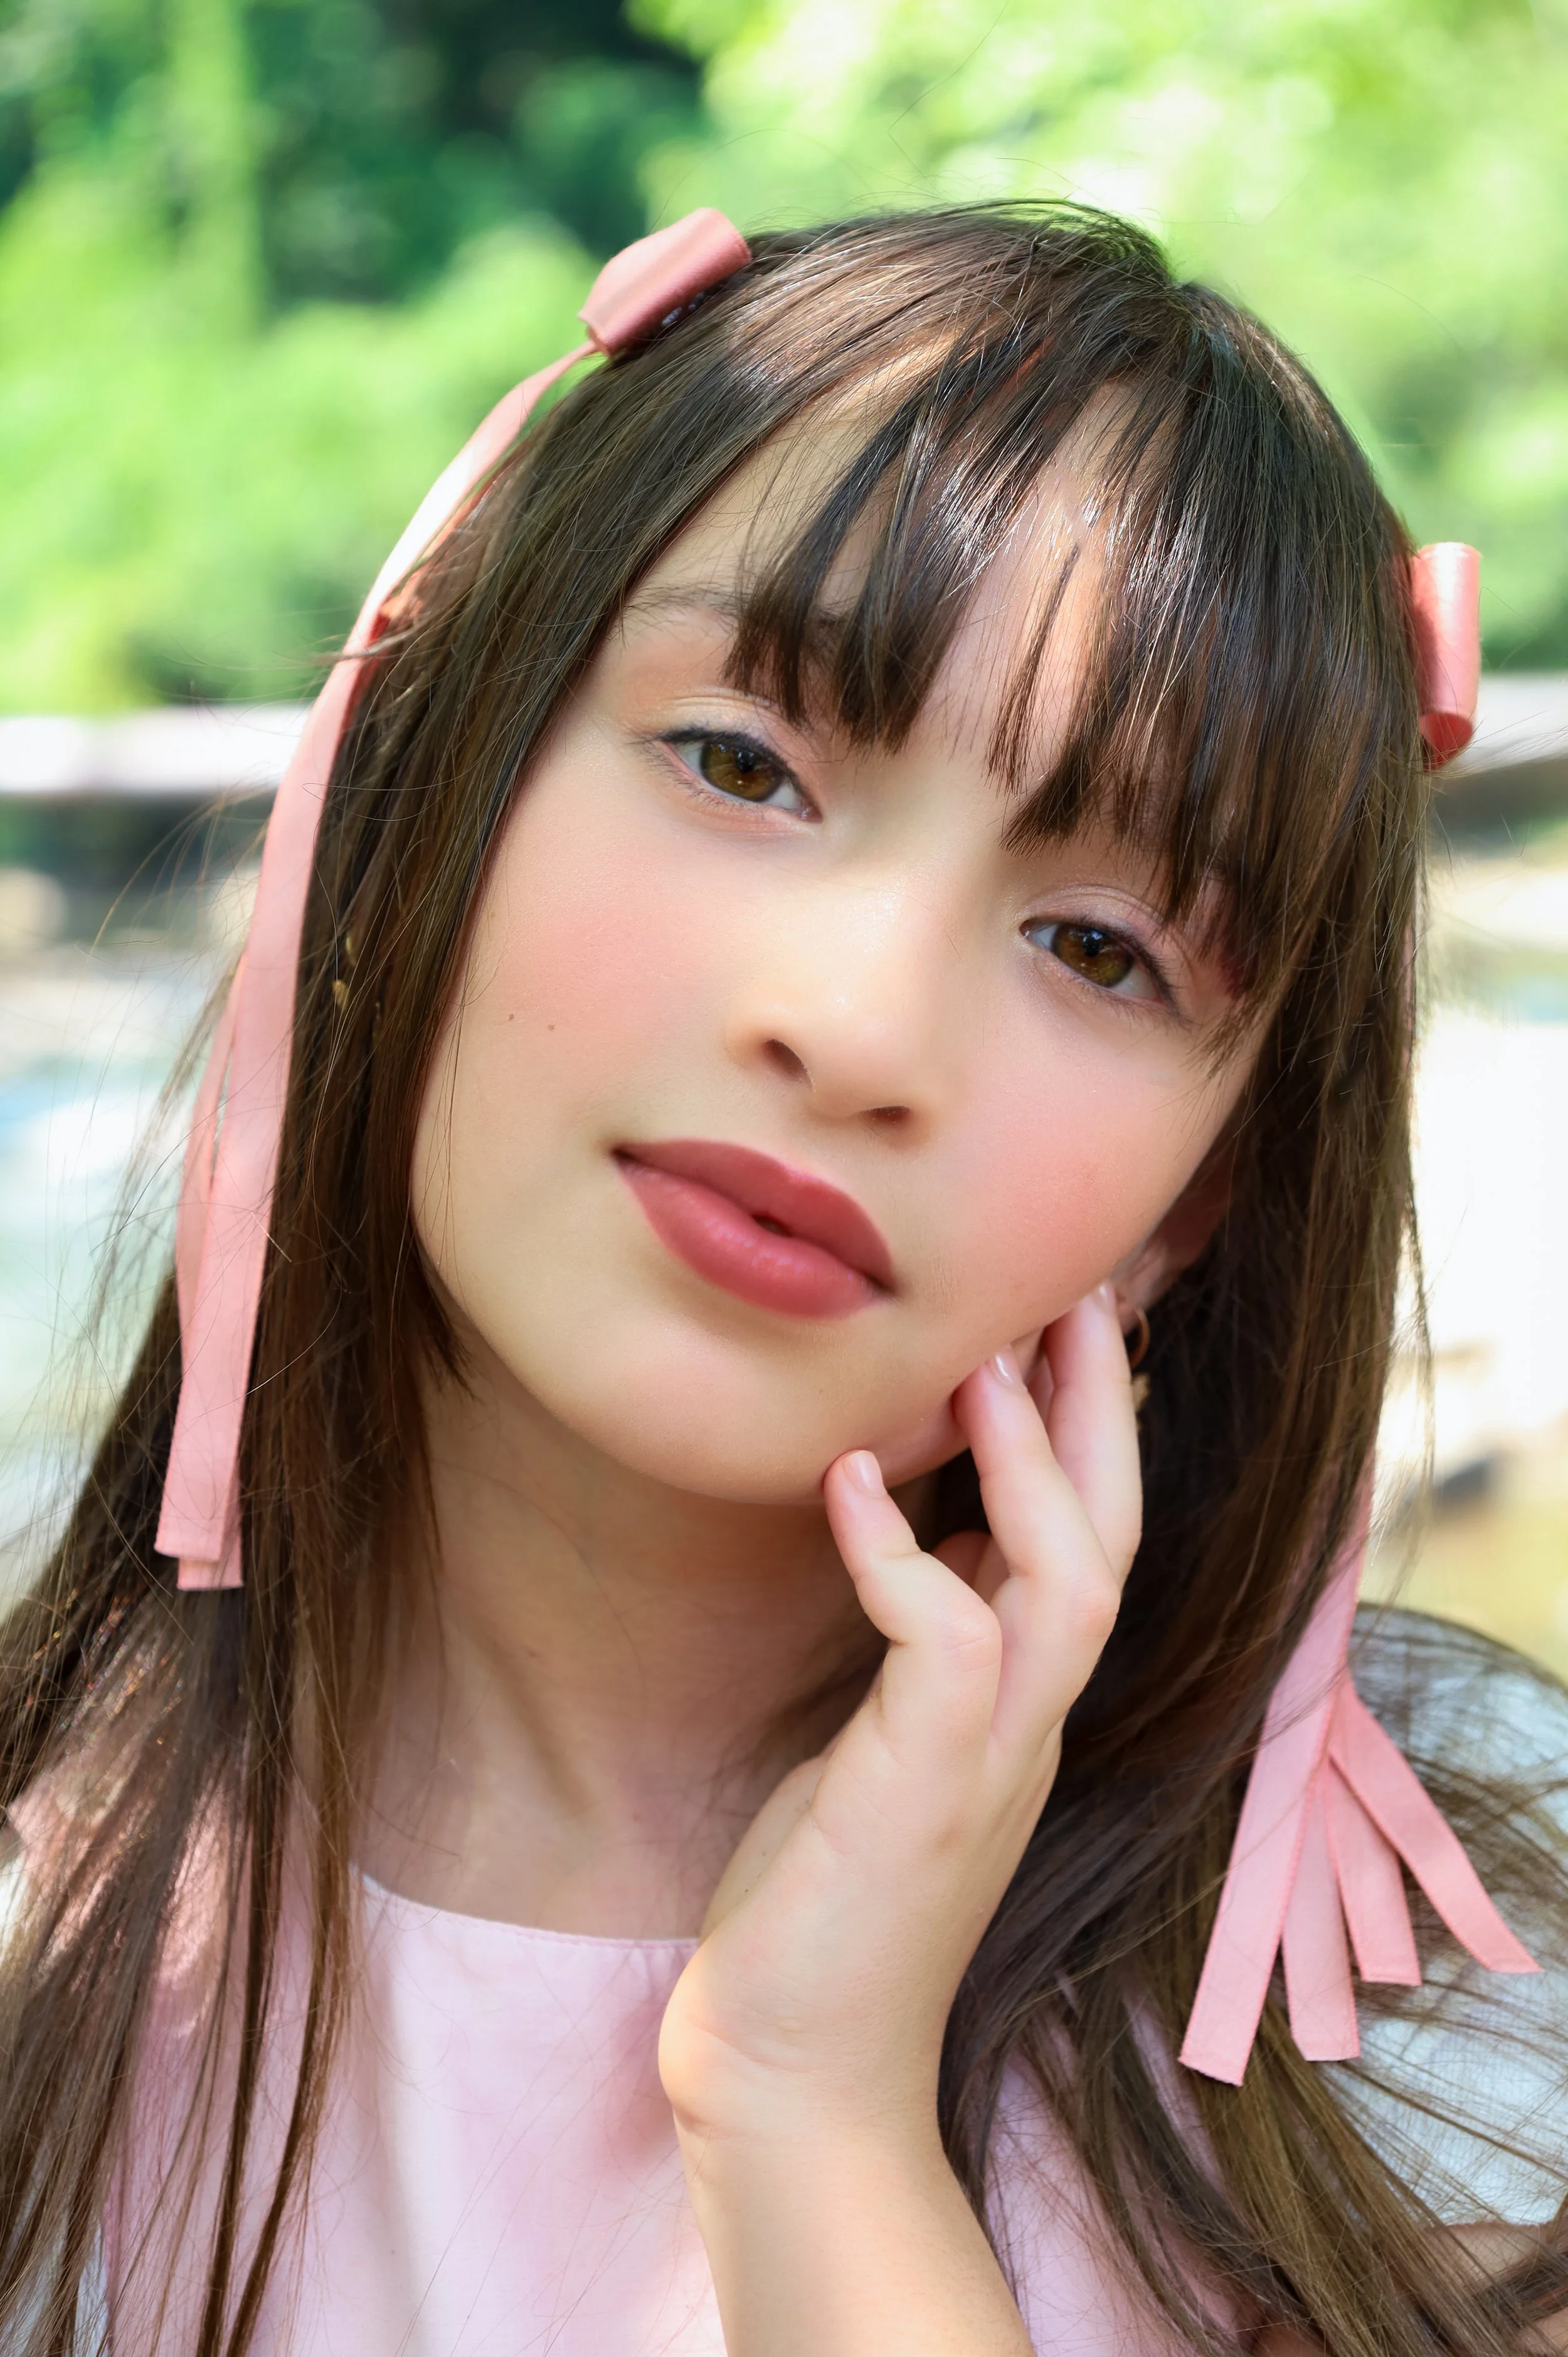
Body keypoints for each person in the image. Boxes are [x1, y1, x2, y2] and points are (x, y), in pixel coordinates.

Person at [1, 203, 1565, 2357]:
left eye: (1099, 948)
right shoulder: (45, 1962)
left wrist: (809, 2110)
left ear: (1188, 1211)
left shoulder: (1438, 1978)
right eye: (742, 763)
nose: (851, 1026)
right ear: (411, 789)